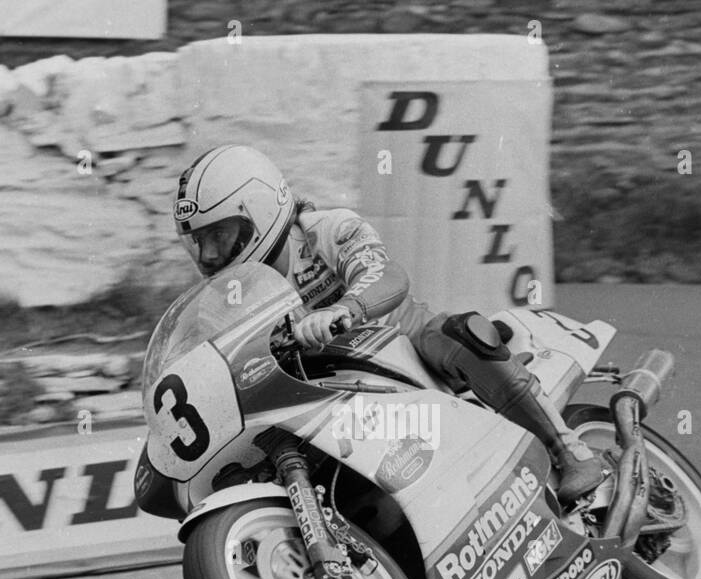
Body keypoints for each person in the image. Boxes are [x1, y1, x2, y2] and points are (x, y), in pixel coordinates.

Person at [173, 144, 604, 504]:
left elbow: (386, 275)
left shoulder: (327, 230)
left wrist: (344, 309)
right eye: (199, 242)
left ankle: (567, 449)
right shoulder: (223, 302)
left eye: (219, 235)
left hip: (404, 343)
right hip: (321, 389)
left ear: (260, 211)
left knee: (462, 332)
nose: (209, 256)